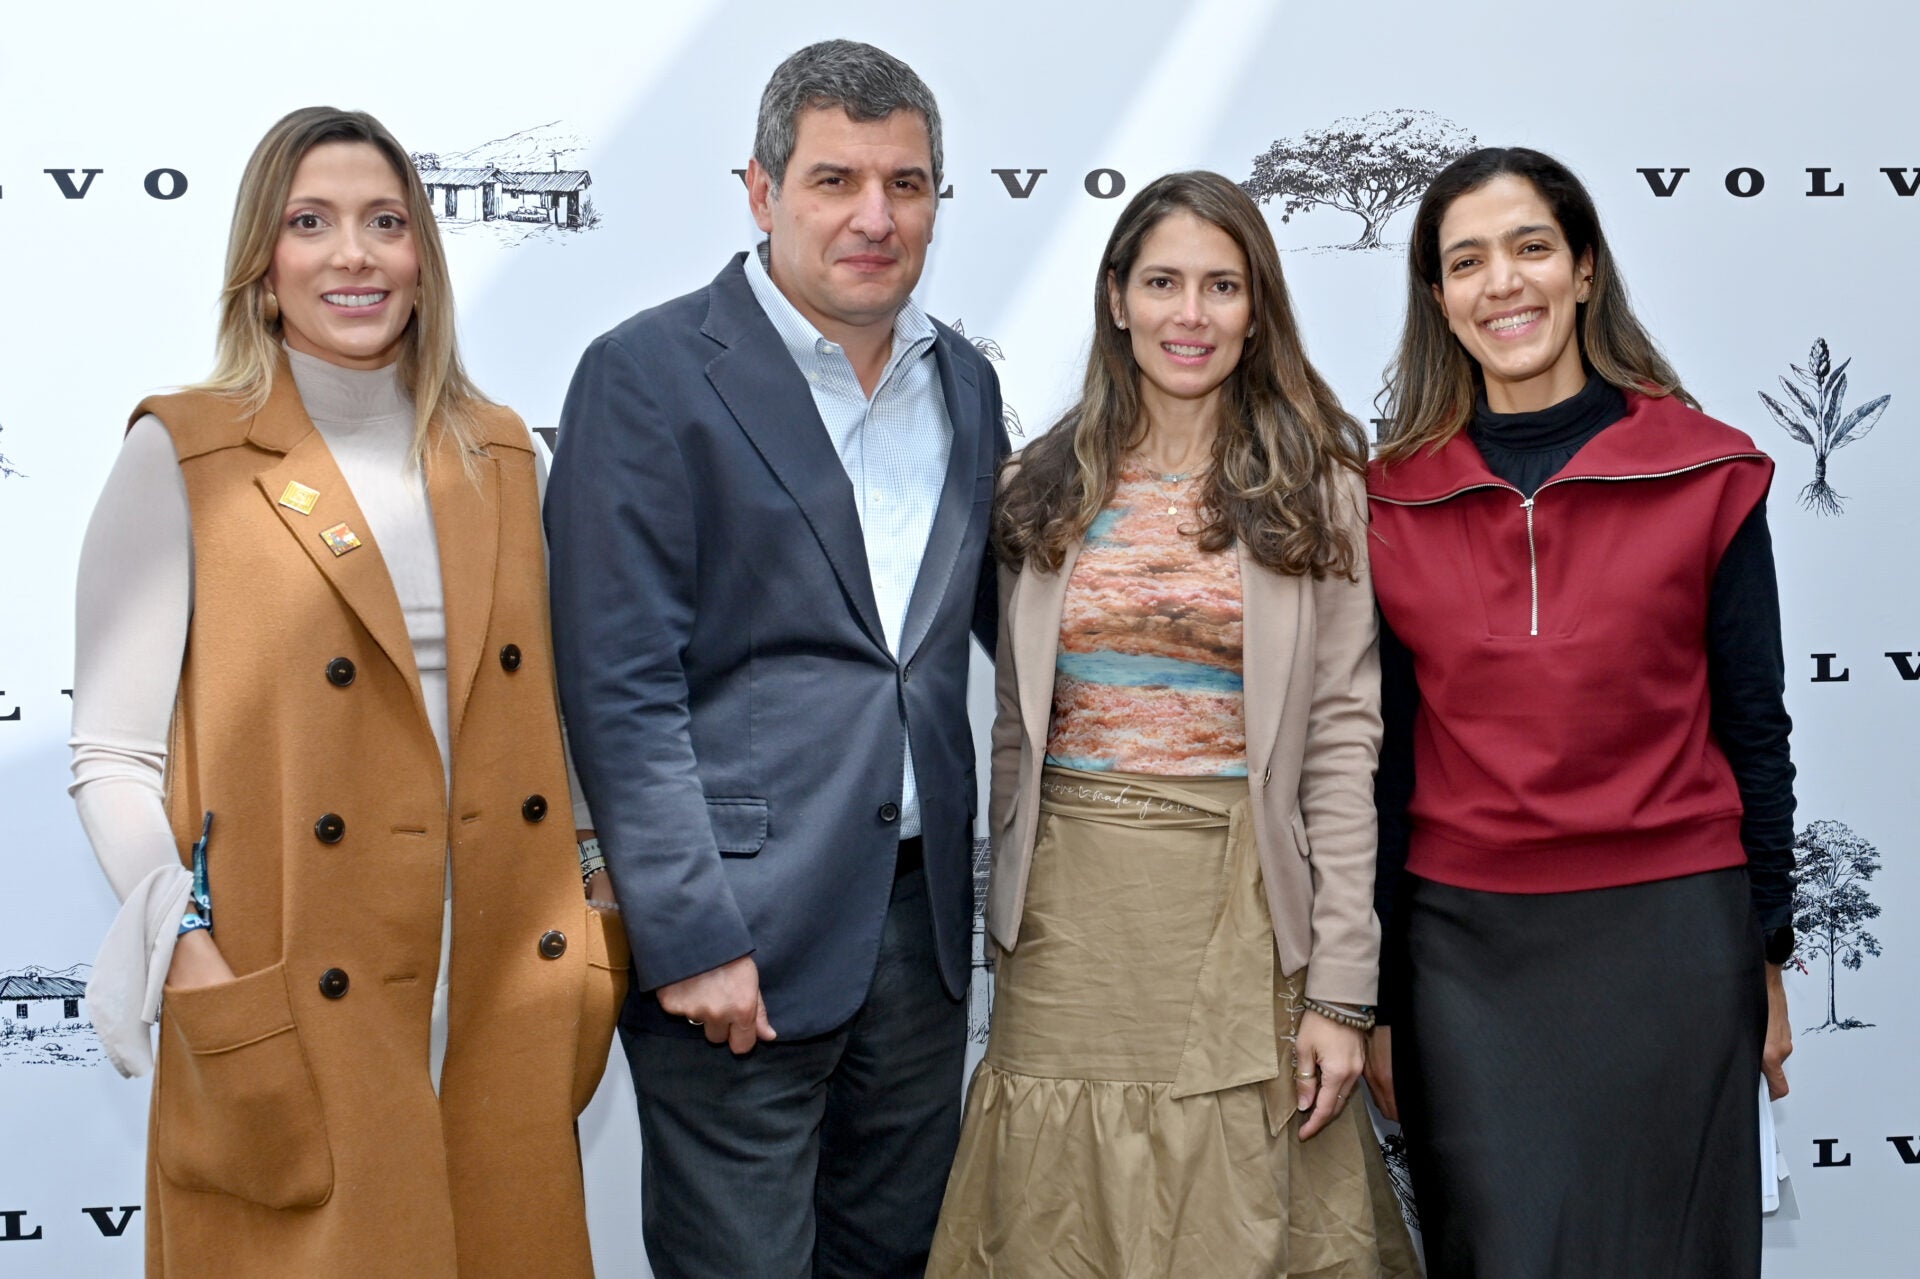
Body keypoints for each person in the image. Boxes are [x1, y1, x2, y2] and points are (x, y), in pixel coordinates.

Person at [69, 106, 626, 1277]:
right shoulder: (183, 453)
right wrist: (187, 949)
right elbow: (112, 758)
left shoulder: (507, 453)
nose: (353, 255)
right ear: (262, 268)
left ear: (423, 256)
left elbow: (568, 718)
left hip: (500, 981)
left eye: (384, 221)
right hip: (292, 983)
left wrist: (593, 906)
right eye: (310, 223)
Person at [544, 39, 1007, 1279]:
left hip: (918, 932)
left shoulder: (964, 382)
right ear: (760, 192)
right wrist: (690, 932)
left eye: (907, 185)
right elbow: (618, 688)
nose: (875, 216)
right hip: (734, 933)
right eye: (835, 181)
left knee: (895, 1258)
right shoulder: (644, 376)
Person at [927, 171, 1417, 1277]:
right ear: (1116, 299)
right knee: (1055, 1225)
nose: (1189, 315)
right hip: (1068, 926)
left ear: (1258, 308)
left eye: (1221, 285)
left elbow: (1345, 748)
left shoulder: (1322, 491)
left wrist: (1342, 987)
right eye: (1162, 282)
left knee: (1240, 1215)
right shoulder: (1036, 488)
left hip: (1245, 914)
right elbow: (1016, 732)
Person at [1363, 147, 1797, 1279]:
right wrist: (1375, 994)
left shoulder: (1709, 472)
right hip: (1467, 954)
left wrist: (1767, 950)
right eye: (1468, 261)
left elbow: (1755, 727)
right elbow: (1384, 765)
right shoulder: (1384, 501)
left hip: (1675, 940)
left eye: (1531, 247)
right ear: (1439, 298)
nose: (1503, 282)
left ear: (1587, 269)